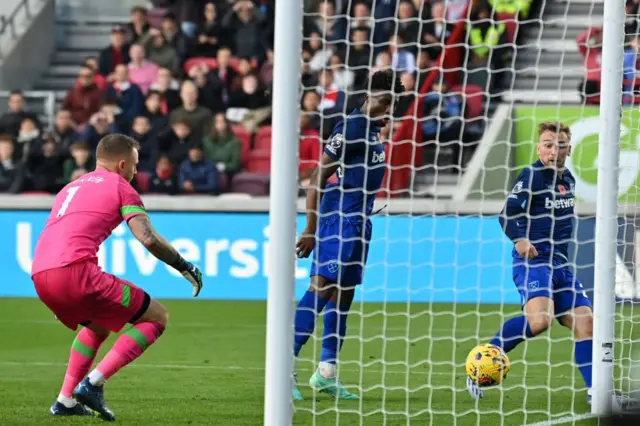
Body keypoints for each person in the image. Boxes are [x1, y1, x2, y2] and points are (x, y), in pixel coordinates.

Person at [31, 134, 204, 420]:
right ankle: (93, 384)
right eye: (134, 165)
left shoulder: (70, 187)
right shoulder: (121, 187)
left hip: (41, 273)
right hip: (75, 273)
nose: (136, 172)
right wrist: (183, 265)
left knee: (98, 325)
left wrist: (60, 292)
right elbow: (147, 238)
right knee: (157, 317)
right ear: (122, 164)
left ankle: (65, 401)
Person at [466, 122, 599, 405]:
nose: (555, 150)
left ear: (569, 149)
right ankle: (484, 357)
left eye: (561, 145)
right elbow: (507, 213)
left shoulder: (568, 180)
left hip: (561, 264)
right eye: (549, 144)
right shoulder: (532, 175)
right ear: (539, 148)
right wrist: (520, 239)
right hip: (534, 262)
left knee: (586, 322)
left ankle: (594, 392)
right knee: (540, 321)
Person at [292, 69, 403, 400]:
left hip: (360, 221)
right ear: (368, 97)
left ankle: (326, 372)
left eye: (391, 104)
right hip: (338, 217)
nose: (387, 109)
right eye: (383, 101)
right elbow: (316, 179)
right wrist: (310, 229)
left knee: (344, 295)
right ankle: (285, 365)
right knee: (322, 288)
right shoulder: (352, 127)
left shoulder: (372, 130)